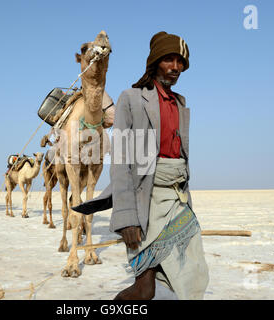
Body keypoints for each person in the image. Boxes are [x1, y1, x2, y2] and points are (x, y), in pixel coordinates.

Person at [72, 31, 209, 300]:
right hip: (146, 201)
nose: (176, 67)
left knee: (193, 276)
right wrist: (126, 218)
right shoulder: (132, 99)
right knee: (144, 289)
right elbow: (122, 162)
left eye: (180, 61)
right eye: (169, 59)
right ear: (155, 61)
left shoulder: (180, 104)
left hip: (177, 200)